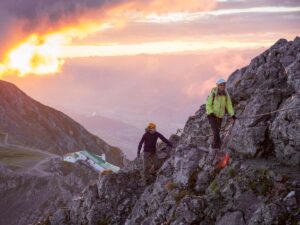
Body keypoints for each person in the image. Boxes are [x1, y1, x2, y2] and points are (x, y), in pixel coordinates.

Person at [206, 78, 236, 150]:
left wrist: (232, 115)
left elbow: (229, 105)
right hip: (212, 116)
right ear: (218, 86)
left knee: (217, 132)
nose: (222, 86)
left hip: (220, 117)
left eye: (223, 85)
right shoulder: (213, 94)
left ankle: (215, 145)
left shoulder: (226, 95)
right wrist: (211, 113)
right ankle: (216, 148)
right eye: (221, 85)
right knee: (216, 132)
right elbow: (208, 105)